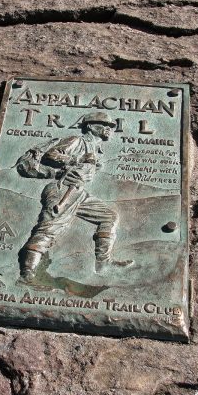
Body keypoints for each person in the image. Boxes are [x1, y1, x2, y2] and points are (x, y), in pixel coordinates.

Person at [15, 111, 133, 282]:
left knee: (109, 216)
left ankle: (103, 264)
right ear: (91, 126)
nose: (109, 129)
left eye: (110, 126)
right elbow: (52, 154)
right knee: (50, 227)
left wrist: (92, 165)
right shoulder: (77, 140)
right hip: (63, 189)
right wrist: (76, 160)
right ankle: (27, 272)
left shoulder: (94, 147)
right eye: (104, 125)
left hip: (79, 192)